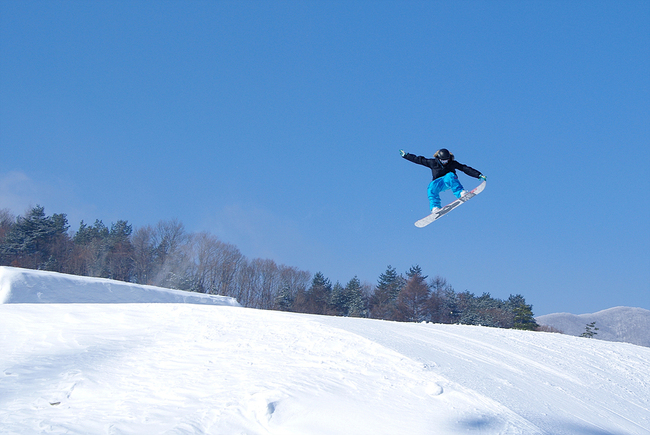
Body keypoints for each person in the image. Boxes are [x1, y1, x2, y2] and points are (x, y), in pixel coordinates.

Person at [400, 148, 486, 213]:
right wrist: (406, 155)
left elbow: (465, 168)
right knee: (431, 187)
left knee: (450, 175)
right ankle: (435, 207)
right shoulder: (432, 162)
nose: (445, 162)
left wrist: (478, 174)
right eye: (443, 160)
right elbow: (418, 160)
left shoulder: (452, 163)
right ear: (439, 158)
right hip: (439, 183)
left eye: (446, 160)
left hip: (450, 181)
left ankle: (460, 193)